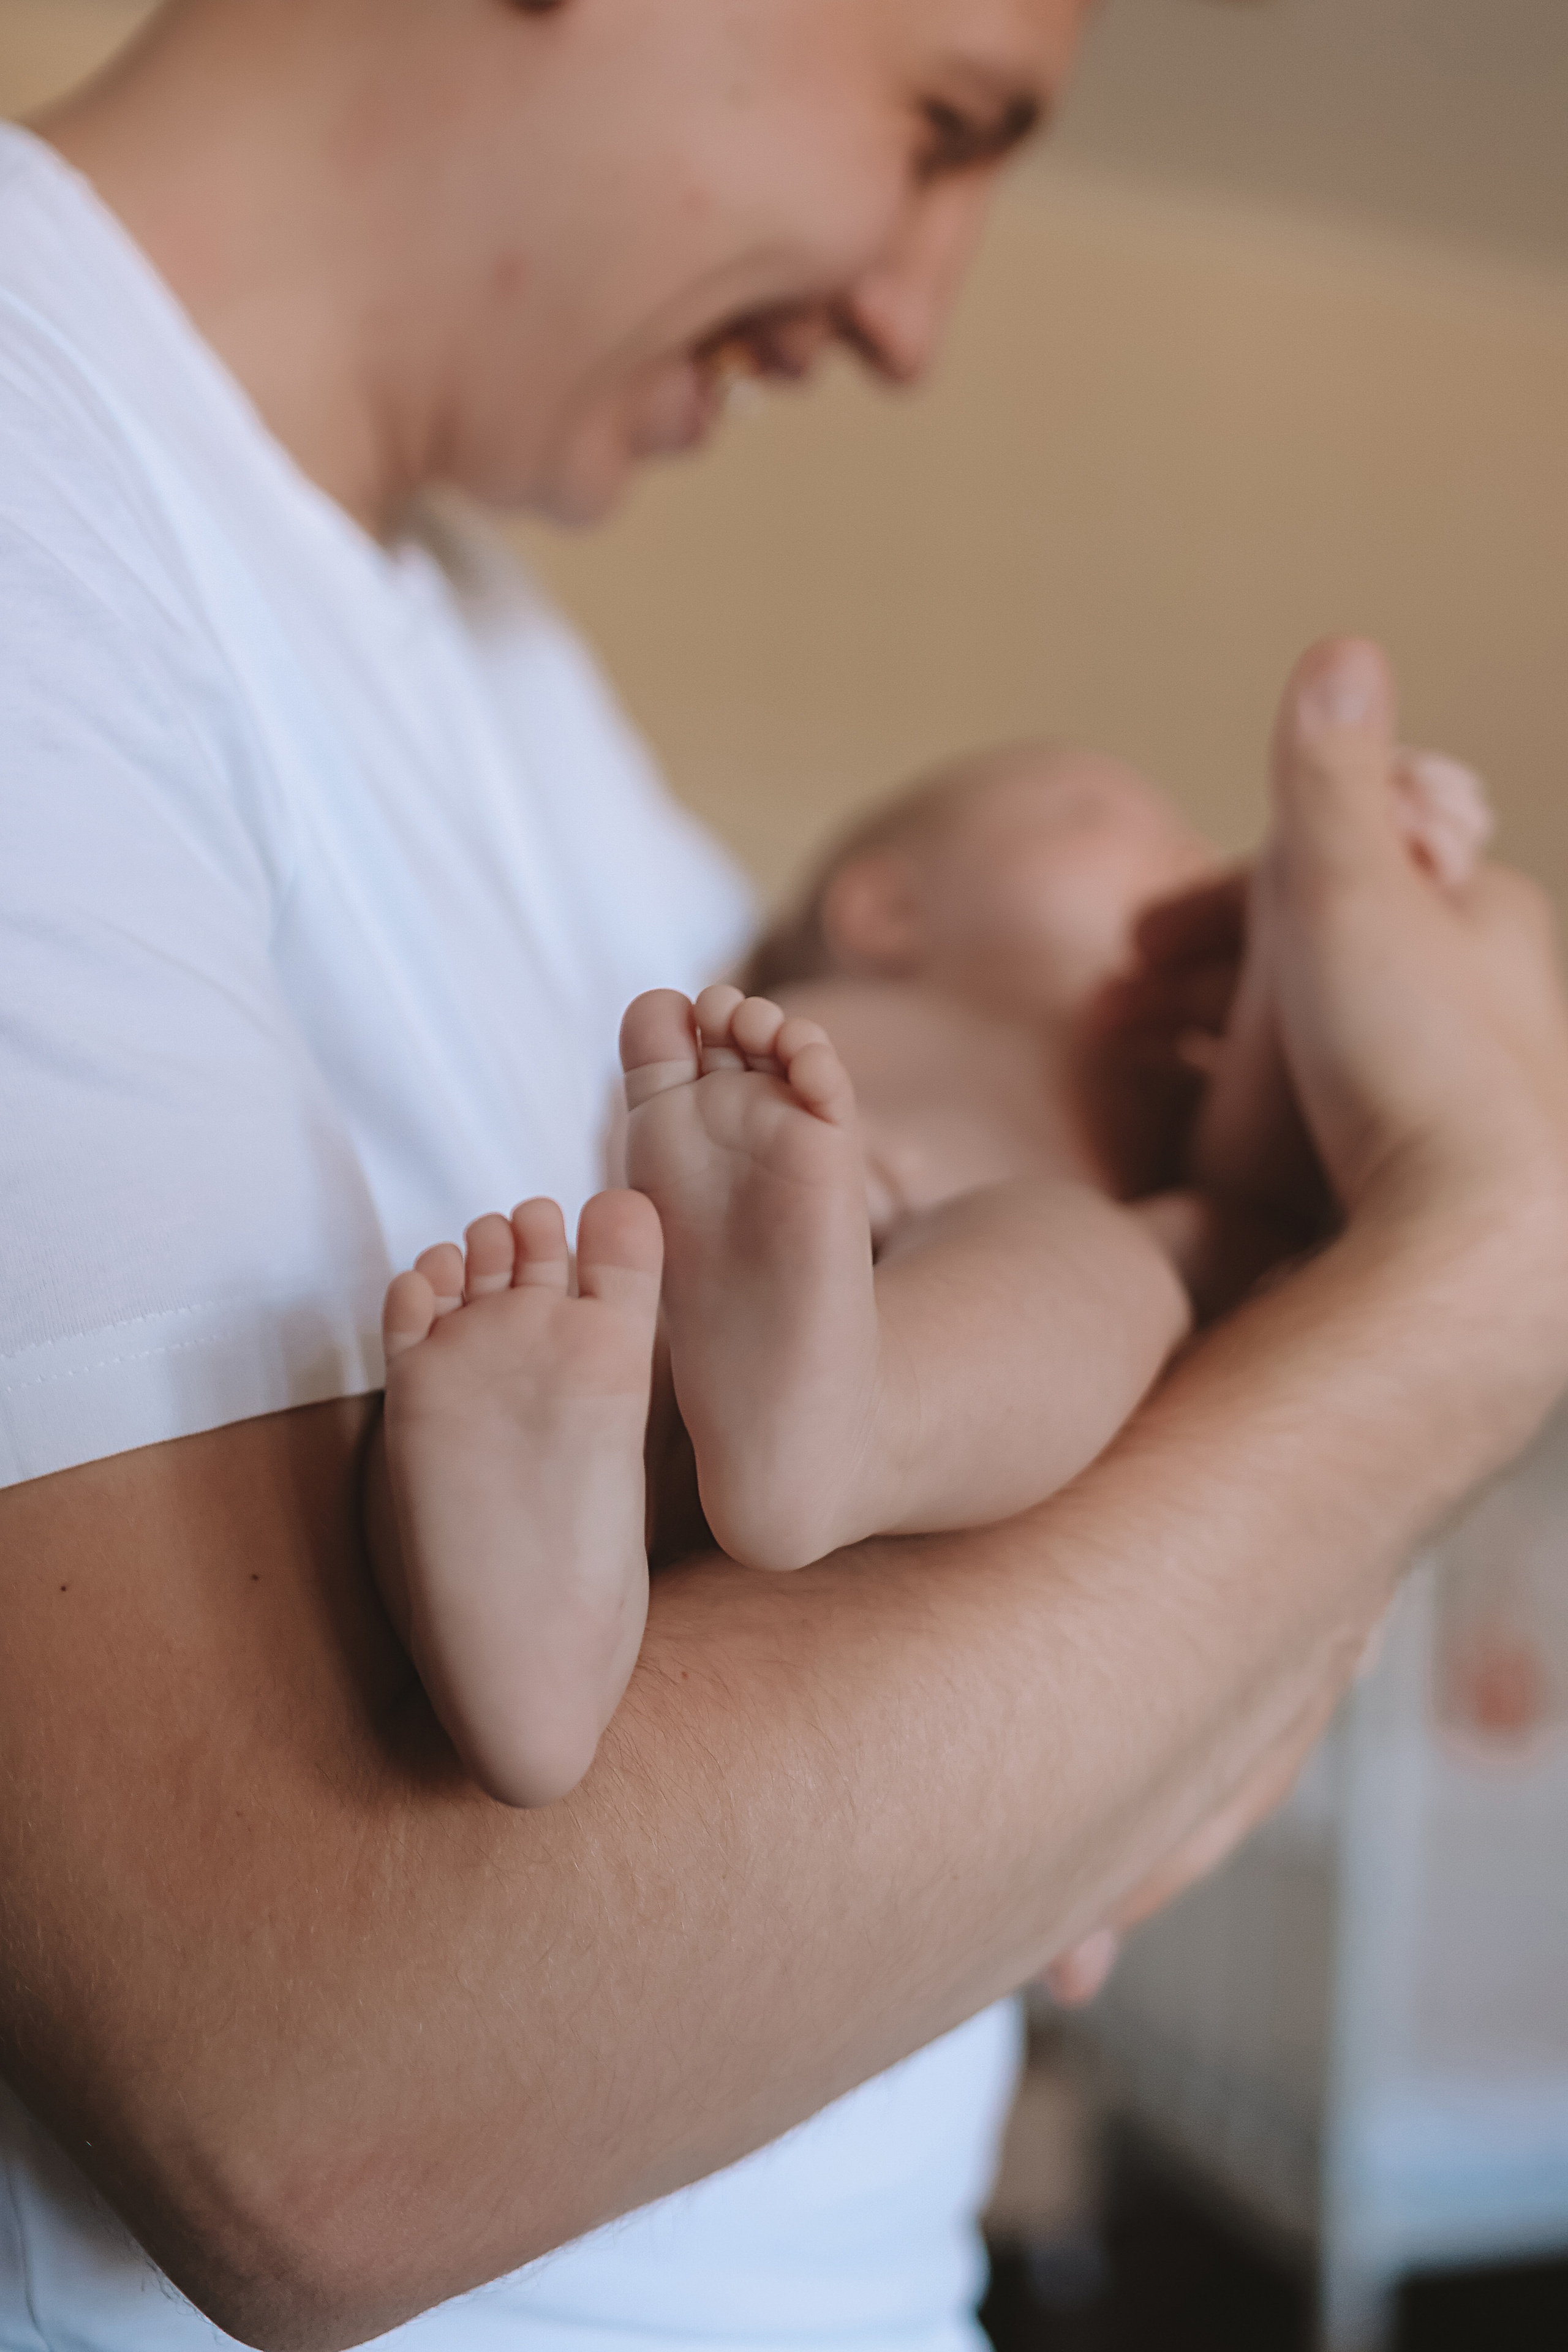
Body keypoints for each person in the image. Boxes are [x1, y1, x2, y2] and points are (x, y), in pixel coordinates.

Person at [1, 4, 1566, 2350]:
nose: (920, 324)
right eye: (941, 125)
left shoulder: (506, 684)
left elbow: (1118, 1718)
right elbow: (322, 2094)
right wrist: (1476, 1283)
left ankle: (555, 1604)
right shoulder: (50, 481)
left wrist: (1278, 1226)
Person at [377, 741, 1493, 1809]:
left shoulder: (1151, 1104)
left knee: (1128, 1258)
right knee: (543, 1373)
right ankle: (534, 1655)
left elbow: (1267, 1159)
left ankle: (831, 1436)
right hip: (716, 1314)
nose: (1192, 857)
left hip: (924, 1351)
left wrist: (1349, 878)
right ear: (889, 912)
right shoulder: (777, 1052)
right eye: (1108, 816)